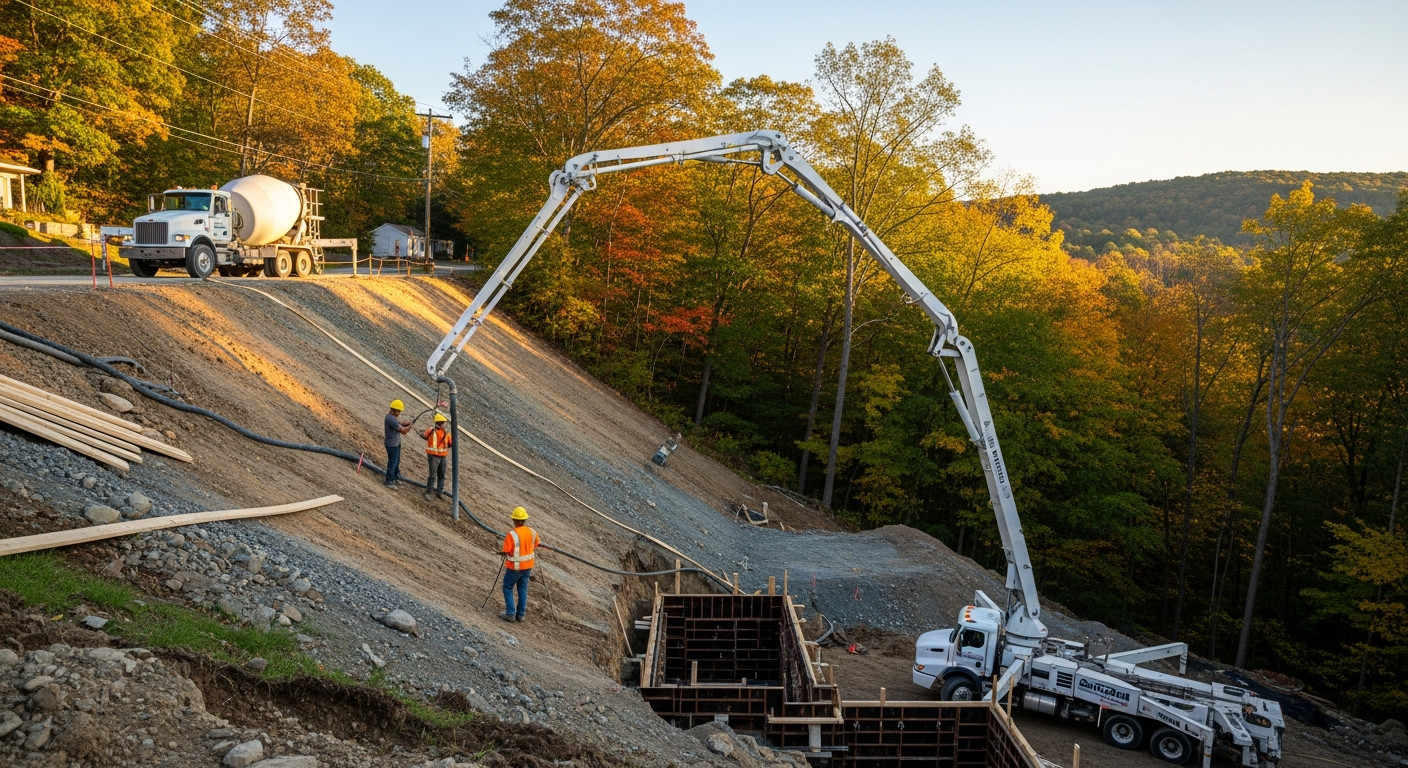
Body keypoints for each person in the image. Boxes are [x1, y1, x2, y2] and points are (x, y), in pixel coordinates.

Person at [500, 506, 541, 622]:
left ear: (514, 520)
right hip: (528, 566)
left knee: (507, 587)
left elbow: (506, 550)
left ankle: (510, 613)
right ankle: (521, 615)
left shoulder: (512, 535)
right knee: (522, 589)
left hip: (515, 567)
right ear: (524, 520)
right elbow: (536, 544)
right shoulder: (532, 532)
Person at [422, 412, 453, 501]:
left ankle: (439, 491)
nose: (445, 425)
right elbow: (450, 444)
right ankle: (429, 491)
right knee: (433, 474)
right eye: (444, 423)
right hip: (433, 456)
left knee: (441, 474)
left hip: (442, 456)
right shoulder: (434, 431)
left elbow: (424, 436)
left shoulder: (445, 433)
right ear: (439, 423)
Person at [383, 399, 412, 489]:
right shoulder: (390, 418)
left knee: (396, 461)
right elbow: (403, 431)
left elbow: (401, 423)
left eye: (398, 411)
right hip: (392, 445)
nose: (398, 413)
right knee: (392, 462)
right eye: (397, 411)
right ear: (392, 410)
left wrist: (409, 422)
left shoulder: (392, 417)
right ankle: (389, 481)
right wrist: (410, 426)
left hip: (396, 443)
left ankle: (395, 476)